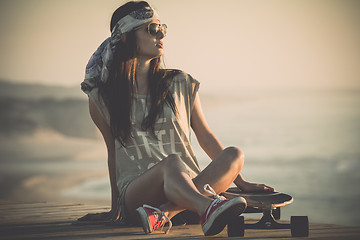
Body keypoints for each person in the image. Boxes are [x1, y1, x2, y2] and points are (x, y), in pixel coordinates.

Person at [79, 1, 275, 236]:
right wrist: (115, 211)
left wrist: (240, 182)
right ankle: (207, 207)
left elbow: (206, 136)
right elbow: (113, 154)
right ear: (125, 37)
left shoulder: (180, 83)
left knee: (234, 154)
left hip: (188, 189)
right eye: (151, 29)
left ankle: (165, 213)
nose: (161, 33)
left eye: (162, 27)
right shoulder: (103, 97)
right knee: (172, 163)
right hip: (137, 194)